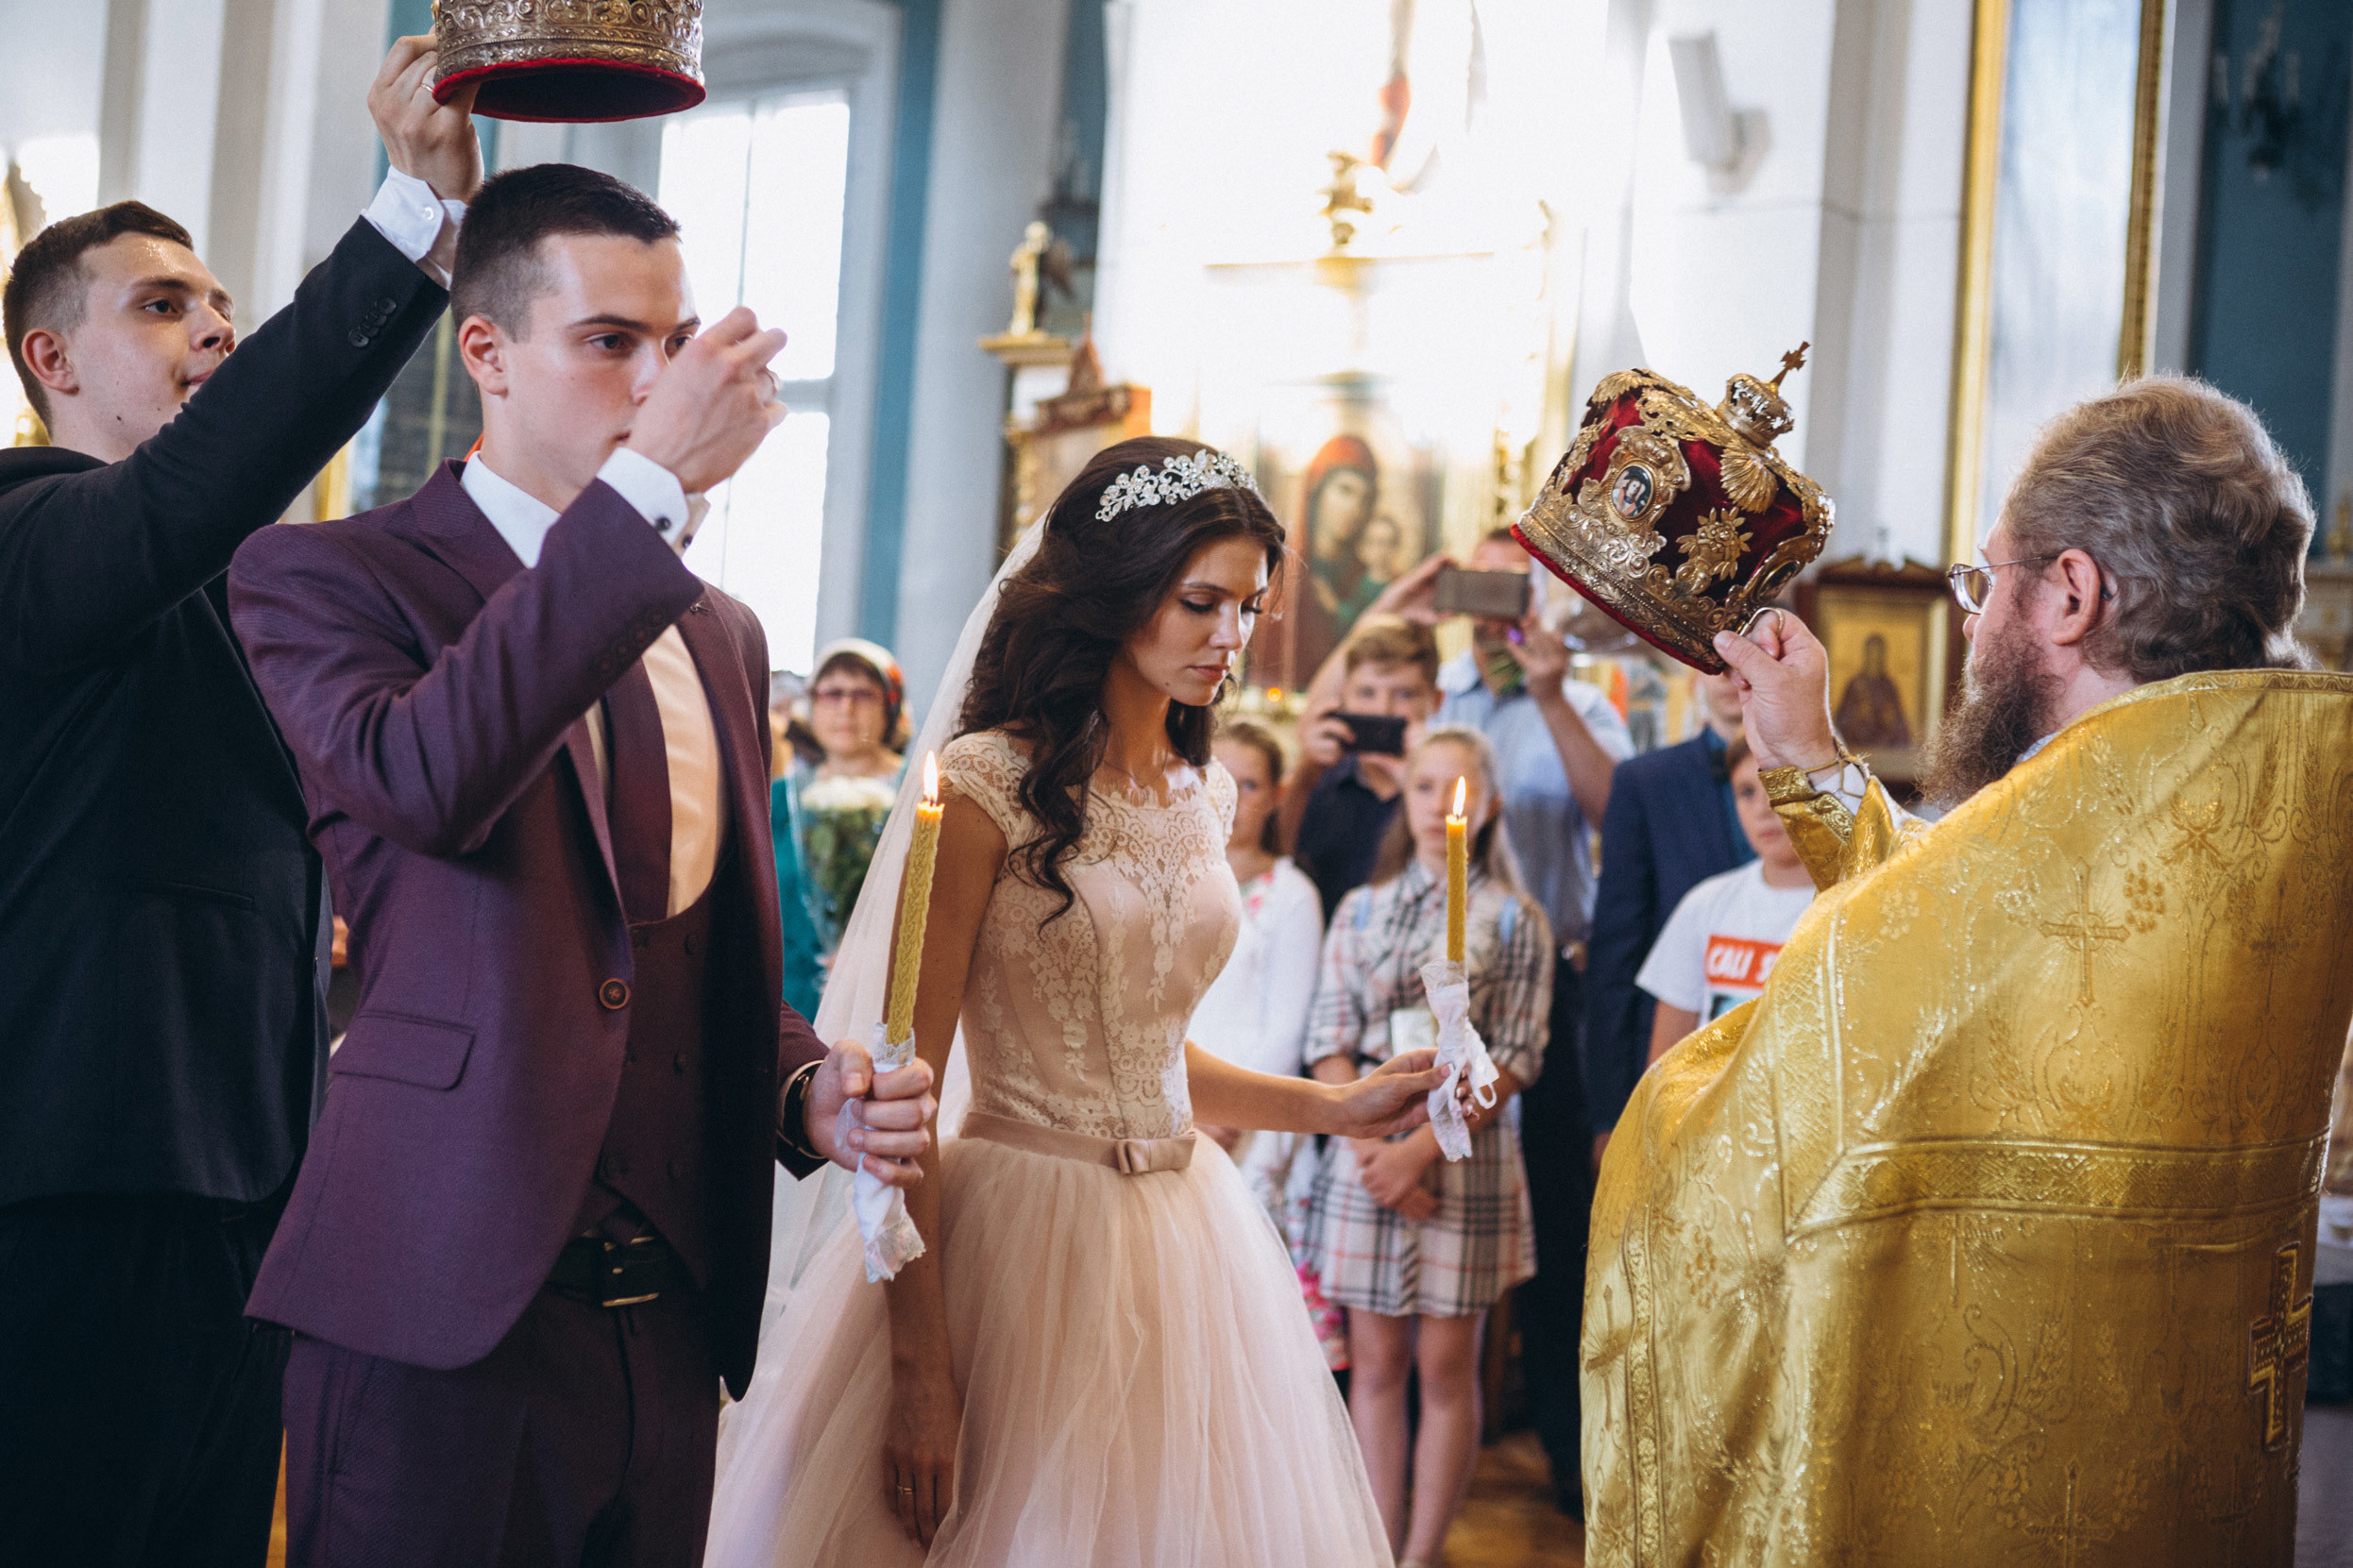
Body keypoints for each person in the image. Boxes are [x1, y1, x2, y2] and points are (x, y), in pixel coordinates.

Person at [226, 162, 935, 1566]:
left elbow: (692, 961)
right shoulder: (327, 578)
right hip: (437, 1308)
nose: (652, 381)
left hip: (666, 1321)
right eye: (610, 342)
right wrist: (651, 491)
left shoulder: (722, 633)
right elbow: (431, 778)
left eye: (670, 346)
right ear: (484, 352)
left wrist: (812, 1098)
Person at [1582, 377, 2353, 1564]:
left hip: (2005, 1474)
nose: (1974, 616)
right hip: (2191, 1456)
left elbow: (1728, 1173)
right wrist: (1806, 760)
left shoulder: (2054, 834)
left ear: (2071, 592)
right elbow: (1975, 920)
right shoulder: (2288, 781)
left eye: (1986, 578)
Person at [703, 436, 1456, 1567]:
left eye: (1248, 607)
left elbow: (1140, 1045)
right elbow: (904, 1095)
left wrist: (1334, 1107)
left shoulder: (1203, 788)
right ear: (1112, 595)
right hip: (1015, 1239)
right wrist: (920, 1368)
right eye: (1199, 602)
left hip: (1184, 1240)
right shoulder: (981, 785)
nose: (1230, 639)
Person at [0, 40, 478, 1566]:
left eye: (218, 305)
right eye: (162, 306)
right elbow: (195, 489)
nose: (212, 325)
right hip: (76, 1170)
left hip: (249, 1168)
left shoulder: (225, 585)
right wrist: (408, 213)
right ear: (49, 361)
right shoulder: (35, 532)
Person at [1304, 725, 1553, 1568]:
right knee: (1375, 1362)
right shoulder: (1359, 908)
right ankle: (1376, 1543)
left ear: (1484, 808)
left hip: (1464, 1160)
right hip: (1366, 1156)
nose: (1435, 801)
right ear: (1402, 796)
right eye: (1422, 785)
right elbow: (1331, 1032)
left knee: (1446, 1362)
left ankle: (1423, 1551)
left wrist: (1421, 1150)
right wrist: (1374, 1139)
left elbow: (1514, 1052)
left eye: (1456, 787)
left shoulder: (1515, 918)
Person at [1431, 525, 1633, 1517]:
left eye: (1516, 584)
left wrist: (1549, 695)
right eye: (1479, 583)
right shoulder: (1438, 704)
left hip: (1556, 976)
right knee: (1431, 1189)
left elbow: (1615, 821)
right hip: (1443, 974)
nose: (1496, 604)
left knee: (1559, 1221)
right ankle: (1426, 1436)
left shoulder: (1585, 701)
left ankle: (1562, 1441)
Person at [1190, 718, 1345, 1368]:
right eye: (1216, 778)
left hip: (1253, 1119)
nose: (1231, 796)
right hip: (1171, 1102)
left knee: (1247, 1309)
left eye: (1249, 783)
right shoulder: (1174, 875)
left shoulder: (1290, 892)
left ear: (1276, 795)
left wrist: (1230, 1112)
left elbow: (1288, 1025)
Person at [1583, 668, 1752, 1163]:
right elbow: (1616, 955)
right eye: (1715, 660)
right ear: (1691, 672)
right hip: (1672, 1053)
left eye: (1750, 655)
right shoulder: (1646, 781)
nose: (1732, 677)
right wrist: (1610, 1114)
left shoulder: (1824, 779)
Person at [1633, 738, 1813, 1060]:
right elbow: (1664, 1065)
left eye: (1777, 785)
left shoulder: (1852, 904)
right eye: (1746, 792)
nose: (1762, 809)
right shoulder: (1704, 905)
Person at [1286, 614, 1442, 920]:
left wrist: (1418, 781)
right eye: (1366, 693)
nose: (1382, 710)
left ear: (1436, 700)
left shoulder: (1446, 788)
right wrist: (1306, 771)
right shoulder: (1321, 777)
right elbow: (1281, 857)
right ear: (1344, 697)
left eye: (1404, 695)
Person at [788, 637, 908, 957]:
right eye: (832, 693)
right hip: (793, 987)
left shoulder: (918, 792)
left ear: (891, 707)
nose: (846, 708)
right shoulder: (779, 796)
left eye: (864, 695)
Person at [1833, 630, 1911, 746]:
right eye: (1872, 653)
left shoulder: (1889, 686)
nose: (1875, 657)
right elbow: (1840, 722)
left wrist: (1891, 719)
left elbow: (1901, 725)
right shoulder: (1855, 684)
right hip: (1857, 747)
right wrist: (1857, 714)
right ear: (1866, 654)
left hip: (1884, 748)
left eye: (1878, 653)